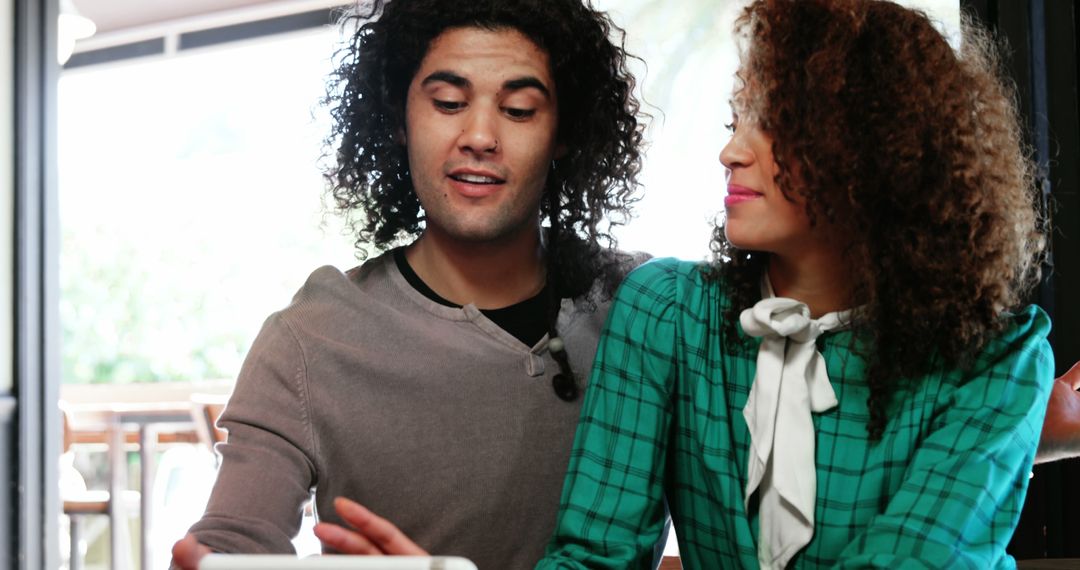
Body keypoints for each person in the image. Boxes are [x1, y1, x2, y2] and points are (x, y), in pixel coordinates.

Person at [537, 0, 1055, 568]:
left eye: (775, 122)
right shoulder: (666, 311)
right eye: (736, 119)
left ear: (880, 149)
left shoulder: (994, 357)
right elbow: (595, 555)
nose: (730, 152)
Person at [170, 0, 646, 568]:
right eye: (448, 103)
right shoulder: (310, 340)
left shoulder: (644, 310)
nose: (479, 136)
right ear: (398, 119)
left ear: (563, 132)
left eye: (519, 109)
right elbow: (231, 543)